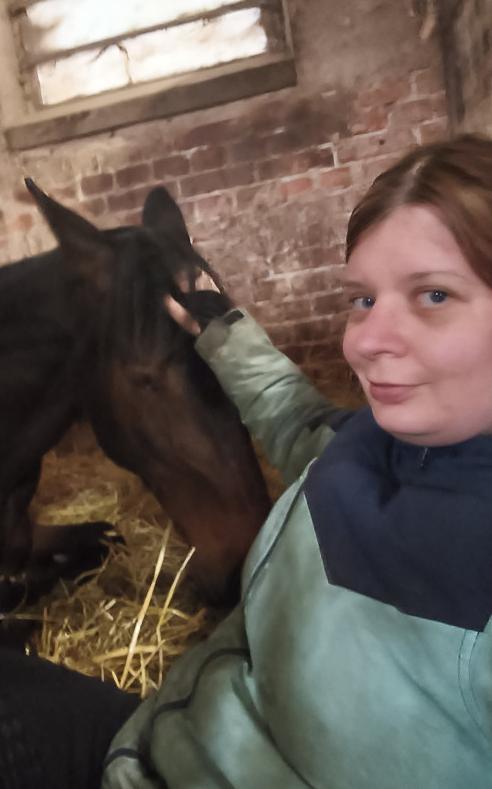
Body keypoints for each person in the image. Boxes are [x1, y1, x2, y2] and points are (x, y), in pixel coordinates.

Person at [101, 134, 492, 788]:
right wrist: (221, 326)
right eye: (363, 300)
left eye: (433, 296)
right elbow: (295, 420)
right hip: (153, 744)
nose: (364, 342)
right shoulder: (375, 444)